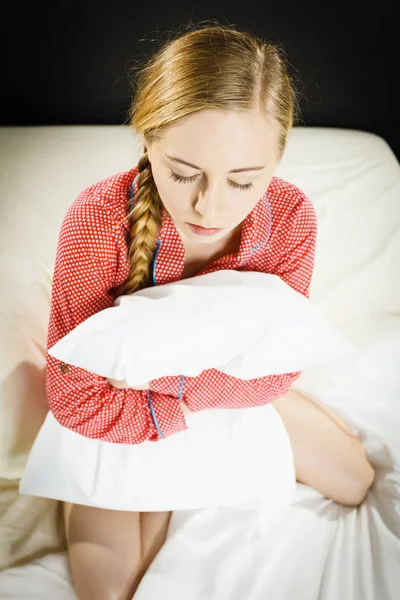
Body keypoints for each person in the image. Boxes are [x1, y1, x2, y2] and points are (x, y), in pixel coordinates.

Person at [47, 22, 375, 600]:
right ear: (147, 140)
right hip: (122, 406)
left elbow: (277, 368)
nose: (210, 206)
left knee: (356, 482)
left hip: (223, 385)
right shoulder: (98, 221)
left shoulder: (292, 217)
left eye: (244, 183)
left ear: (275, 163)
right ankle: (80, 492)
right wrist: (174, 406)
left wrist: (191, 392)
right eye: (184, 173)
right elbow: (74, 398)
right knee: (112, 590)